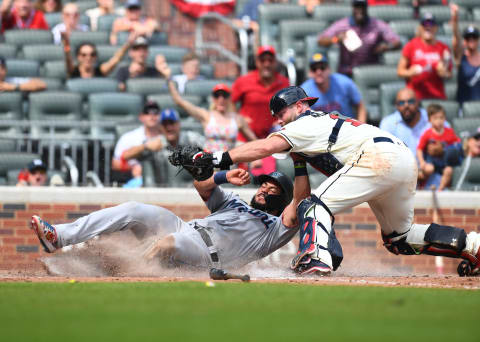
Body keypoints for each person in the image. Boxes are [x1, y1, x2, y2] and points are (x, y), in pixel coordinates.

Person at [205, 86, 480, 277]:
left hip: (377, 155)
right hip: (401, 157)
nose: (278, 120)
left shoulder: (304, 122)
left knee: (313, 206)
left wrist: (217, 158)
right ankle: (472, 246)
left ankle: (316, 258)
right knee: (400, 238)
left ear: (300, 106)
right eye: (276, 116)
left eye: (281, 113)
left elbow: (264, 148)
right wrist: (299, 161)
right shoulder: (318, 126)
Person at [29, 169, 299, 271]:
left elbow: (299, 201)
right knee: (134, 209)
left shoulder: (275, 229)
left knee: (168, 243)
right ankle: (60, 237)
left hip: (208, 255)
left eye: (272, 188)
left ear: (283, 199)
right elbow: (201, 185)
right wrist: (222, 177)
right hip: (186, 227)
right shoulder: (236, 202)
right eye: (264, 185)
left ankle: (112, 269)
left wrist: (299, 161)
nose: (264, 189)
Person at [157, 59, 256, 153]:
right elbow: (179, 101)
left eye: (224, 96)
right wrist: (168, 78)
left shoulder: (237, 119)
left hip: (230, 166)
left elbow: (254, 141)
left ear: (229, 98)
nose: (221, 99)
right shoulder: (207, 116)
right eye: (217, 96)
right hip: (211, 167)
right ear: (213, 98)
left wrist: (258, 157)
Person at [317, 0, 400, 77]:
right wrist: (336, 39)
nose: (360, 10)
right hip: (347, 72)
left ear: (366, 8)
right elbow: (320, 41)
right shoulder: (342, 25)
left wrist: (387, 47)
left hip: (369, 71)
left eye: (362, 7)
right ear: (353, 8)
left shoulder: (377, 24)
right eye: (357, 7)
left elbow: (397, 42)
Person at [397, 12, 452, 101]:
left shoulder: (443, 48)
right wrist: (410, 72)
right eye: (424, 24)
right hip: (415, 98)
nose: (428, 27)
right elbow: (400, 71)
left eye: (431, 24)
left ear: (436, 28)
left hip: (437, 96)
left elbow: (449, 74)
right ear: (420, 28)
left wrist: (443, 72)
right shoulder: (411, 45)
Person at [301, 52, 367, 122]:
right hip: (320, 130)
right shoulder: (304, 92)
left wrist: (361, 127)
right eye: (314, 69)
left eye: (322, 68)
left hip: (346, 127)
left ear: (329, 69)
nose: (319, 72)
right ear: (310, 73)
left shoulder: (344, 83)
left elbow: (360, 107)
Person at [112, 100, 164, 186]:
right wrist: (132, 169)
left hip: (162, 181)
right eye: (147, 112)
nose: (152, 115)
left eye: (156, 112)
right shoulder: (128, 137)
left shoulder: (168, 137)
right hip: (134, 181)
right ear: (141, 116)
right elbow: (115, 164)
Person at [416, 104, 461, 191]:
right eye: (435, 118)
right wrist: (422, 162)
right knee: (429, 169)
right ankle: (421, 184)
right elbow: (419, 149)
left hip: (444, 161)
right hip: (431, 160)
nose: (439, 121)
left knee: (448, 170)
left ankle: (440, 189)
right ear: (430, 120)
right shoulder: (427, 133)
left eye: (441, 118)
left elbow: (457, 144)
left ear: (445, 118)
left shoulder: (449, 132)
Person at [62, 30, 136, 78]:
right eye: (84, 55)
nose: (88, 58)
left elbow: (116, 59)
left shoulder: (100, 71)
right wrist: (66, 43)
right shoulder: (73, 71)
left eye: (92, 54)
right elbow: (68, 59)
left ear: (96, 57)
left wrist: (128, 44)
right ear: (78, 57)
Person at [451, 5, 480, 105]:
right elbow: (456, 38)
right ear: (464, 41)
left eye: (474, 37)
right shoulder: (461, 57)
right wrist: (455, 19)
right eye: (468, 38)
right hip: (464, 104)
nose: (471, 40)